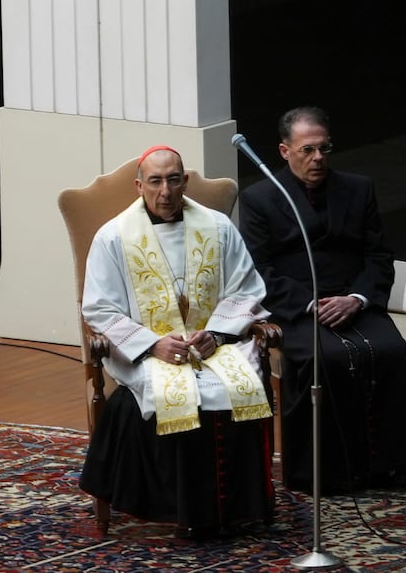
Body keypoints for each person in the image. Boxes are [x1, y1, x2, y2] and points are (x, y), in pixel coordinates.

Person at [78, 145, 275, 539]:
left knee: (237, 387)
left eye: (173, 180)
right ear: (139, 186)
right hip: (151, 348)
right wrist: (153, 344)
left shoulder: (218, 227)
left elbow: (247, 288)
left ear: (184, 181)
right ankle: (178, 507)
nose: (165, 191)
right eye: (155, 181)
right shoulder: (113, 237)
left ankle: (241, 506)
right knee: (177, 394)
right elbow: (99, 309)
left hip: (214, 343)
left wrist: (216, 334)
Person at [236, 106, 406, 493]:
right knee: (325, 359)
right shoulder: (260, 199)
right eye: (307, 150)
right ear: (284, 150)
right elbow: (259, 270)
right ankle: (325, 470)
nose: (318, 158)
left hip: (353, 299)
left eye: (324, 148)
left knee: (391, 350)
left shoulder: (358, 188)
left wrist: (357, 298)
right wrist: (311, 304)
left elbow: (378, 255)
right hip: (298, 306)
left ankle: (392, 462)